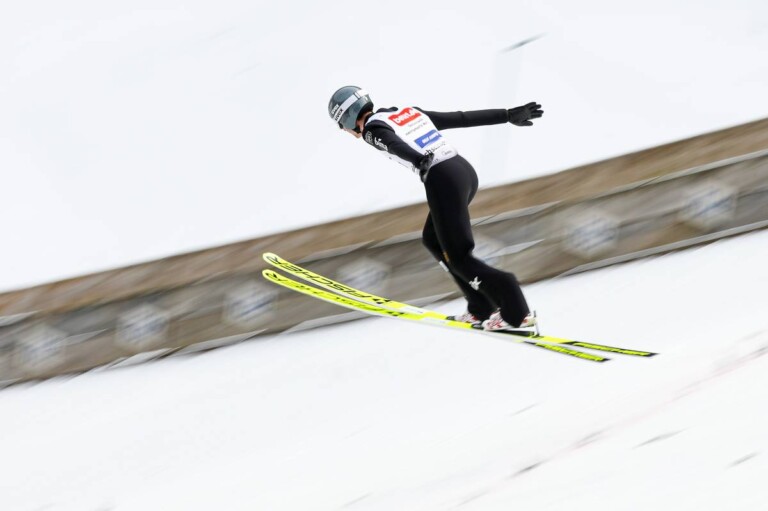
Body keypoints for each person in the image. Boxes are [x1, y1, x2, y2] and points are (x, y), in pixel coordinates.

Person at [327, 86, 543, 331]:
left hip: (442, 178)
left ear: (347, 118)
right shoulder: (406, 113)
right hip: (462, 172)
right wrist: (507, 114)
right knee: (432, 239)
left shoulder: (371, 130)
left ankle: (516, 312)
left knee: (459, 256)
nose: (345, 130)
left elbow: (392, 144)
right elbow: (460, 118)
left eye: (342, 125)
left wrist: (418, 160)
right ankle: (480, 307)